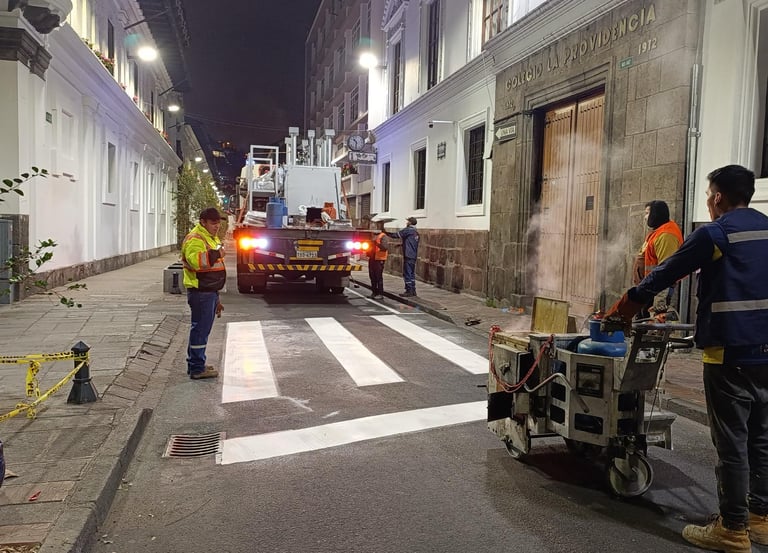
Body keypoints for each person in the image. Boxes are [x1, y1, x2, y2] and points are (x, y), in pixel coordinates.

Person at [605, 165, 768, 553]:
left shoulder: (716, 233)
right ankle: (760, 518)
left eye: (709, 195)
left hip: (729, 352)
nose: (708, 201)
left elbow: (667, 272)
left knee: (732, 441)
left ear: (717, 197)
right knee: (761, 438)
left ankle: (732, 529)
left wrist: (626, 307)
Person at [181, 207, 227, 380]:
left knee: (201, 330)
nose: (217, 226)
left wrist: (217, 297)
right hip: (201, 291)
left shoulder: (210, 237)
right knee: (200, 330)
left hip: (208, 291)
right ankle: (197, 368)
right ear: (203, 222)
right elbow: (196, 262)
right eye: (213, 223)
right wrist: (216, 253)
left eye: (218, 223)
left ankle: (197, 363)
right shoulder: (195, 238)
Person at [631, 200, 684, 315]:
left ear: (655, 214)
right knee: (644, 320)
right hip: (649, 287)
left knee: (655, 321)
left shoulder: (666, 235)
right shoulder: (657, 232)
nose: (645, 217)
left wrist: (659, 302)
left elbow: (667, 270)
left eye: (647, 213)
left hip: (657, 289)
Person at [388, 217, 420, 297]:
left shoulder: (408, 230)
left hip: (408, 255)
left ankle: (408, 290)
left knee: (407, 273)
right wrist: (402, 245)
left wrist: (385, 232)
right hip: (413, 255)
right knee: (412, 273)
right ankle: (413, 290)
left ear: (410, 222)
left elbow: (396, 235)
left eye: (407, 221)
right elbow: (411, 242)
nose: (406, 223)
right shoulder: (416, 232)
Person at [367, 216, 390, 299]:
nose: (375, 226)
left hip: (379, 259)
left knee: (378, 277)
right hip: (372, 258)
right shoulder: (374, 235)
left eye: (377, 224)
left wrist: (376, 243)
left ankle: (380, 294)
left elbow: (385, 247)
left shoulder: (383, 236)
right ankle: (374, 292)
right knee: (372, 276)